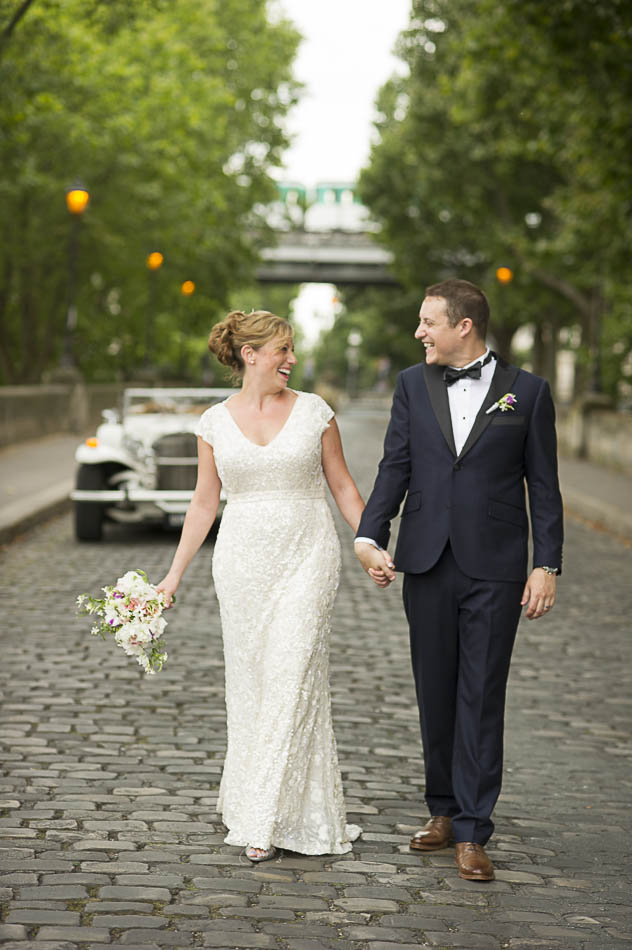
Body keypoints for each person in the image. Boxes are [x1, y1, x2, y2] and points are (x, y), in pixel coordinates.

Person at [355, 279, 563, 882]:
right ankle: (441, 811)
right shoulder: (411, 385)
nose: (419, 332)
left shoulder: (528, 392)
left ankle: (474, 830)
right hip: (425, 560)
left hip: (496, 568)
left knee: (481, 695)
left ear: (462, 326)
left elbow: (544, 487)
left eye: (428, 322)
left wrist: (545, 563)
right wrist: (372, 536)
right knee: (436, 693)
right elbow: (395, 464)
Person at [157, 310, 372, 863]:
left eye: (292, 349)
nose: (291, 359)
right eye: (282, 349)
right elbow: (205, 503)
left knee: (292, 674)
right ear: (250, 354)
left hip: (308, 556)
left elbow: (343, 486)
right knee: (252, 685)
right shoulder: (213, 423)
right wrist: (173, 575)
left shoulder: (315, 413)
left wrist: (369, 540)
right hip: (241, 565)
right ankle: (282, 805)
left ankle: (264, 821)